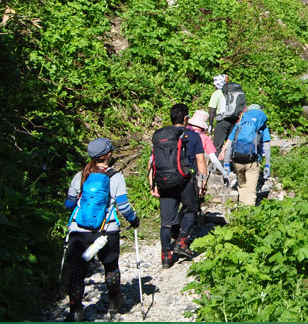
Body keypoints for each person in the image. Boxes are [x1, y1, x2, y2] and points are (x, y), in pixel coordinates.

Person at [64, 137, 140, 321]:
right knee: (111, 266)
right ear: (109, 154)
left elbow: (69, 204)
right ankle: (114, 303)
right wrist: (134, 220)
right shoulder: (116, 177)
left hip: (78, 231)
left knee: (77, 271)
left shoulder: (80, 175)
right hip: (107, 231)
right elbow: (122, 206)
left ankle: (75, 310)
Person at [149, 103, 207, 268]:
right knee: (190, 210)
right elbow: (201, 160)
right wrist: (202, 182)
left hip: (164, 181)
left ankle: (166, 257)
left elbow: (152, 161)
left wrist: (152, 185)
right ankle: (181, 241)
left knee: (166, 221)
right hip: (184, 180)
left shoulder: (161, 136)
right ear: (186, 118)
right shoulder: (192, 136)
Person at [221, 104, 271, 207]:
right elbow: (266, 147)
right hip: (252, 161)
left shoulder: (240, 124)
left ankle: (242, 210)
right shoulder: (262, 126)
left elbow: (230, 144)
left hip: (237, 160)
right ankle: (249, 214)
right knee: (251, 190)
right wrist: (267, 165)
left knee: (242, 185)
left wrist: (226, 164)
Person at [187, 109, 230, 179]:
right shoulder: (204, 138)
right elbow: (214, 160)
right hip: (194, 172)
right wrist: (224, 174)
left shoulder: (182, 133)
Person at [208, 74, 227, 138]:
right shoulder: (231, 92)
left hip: (222, 120)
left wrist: (210, 125)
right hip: (233, 121)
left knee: (217, 145)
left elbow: (212, 111)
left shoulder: (216, 93)